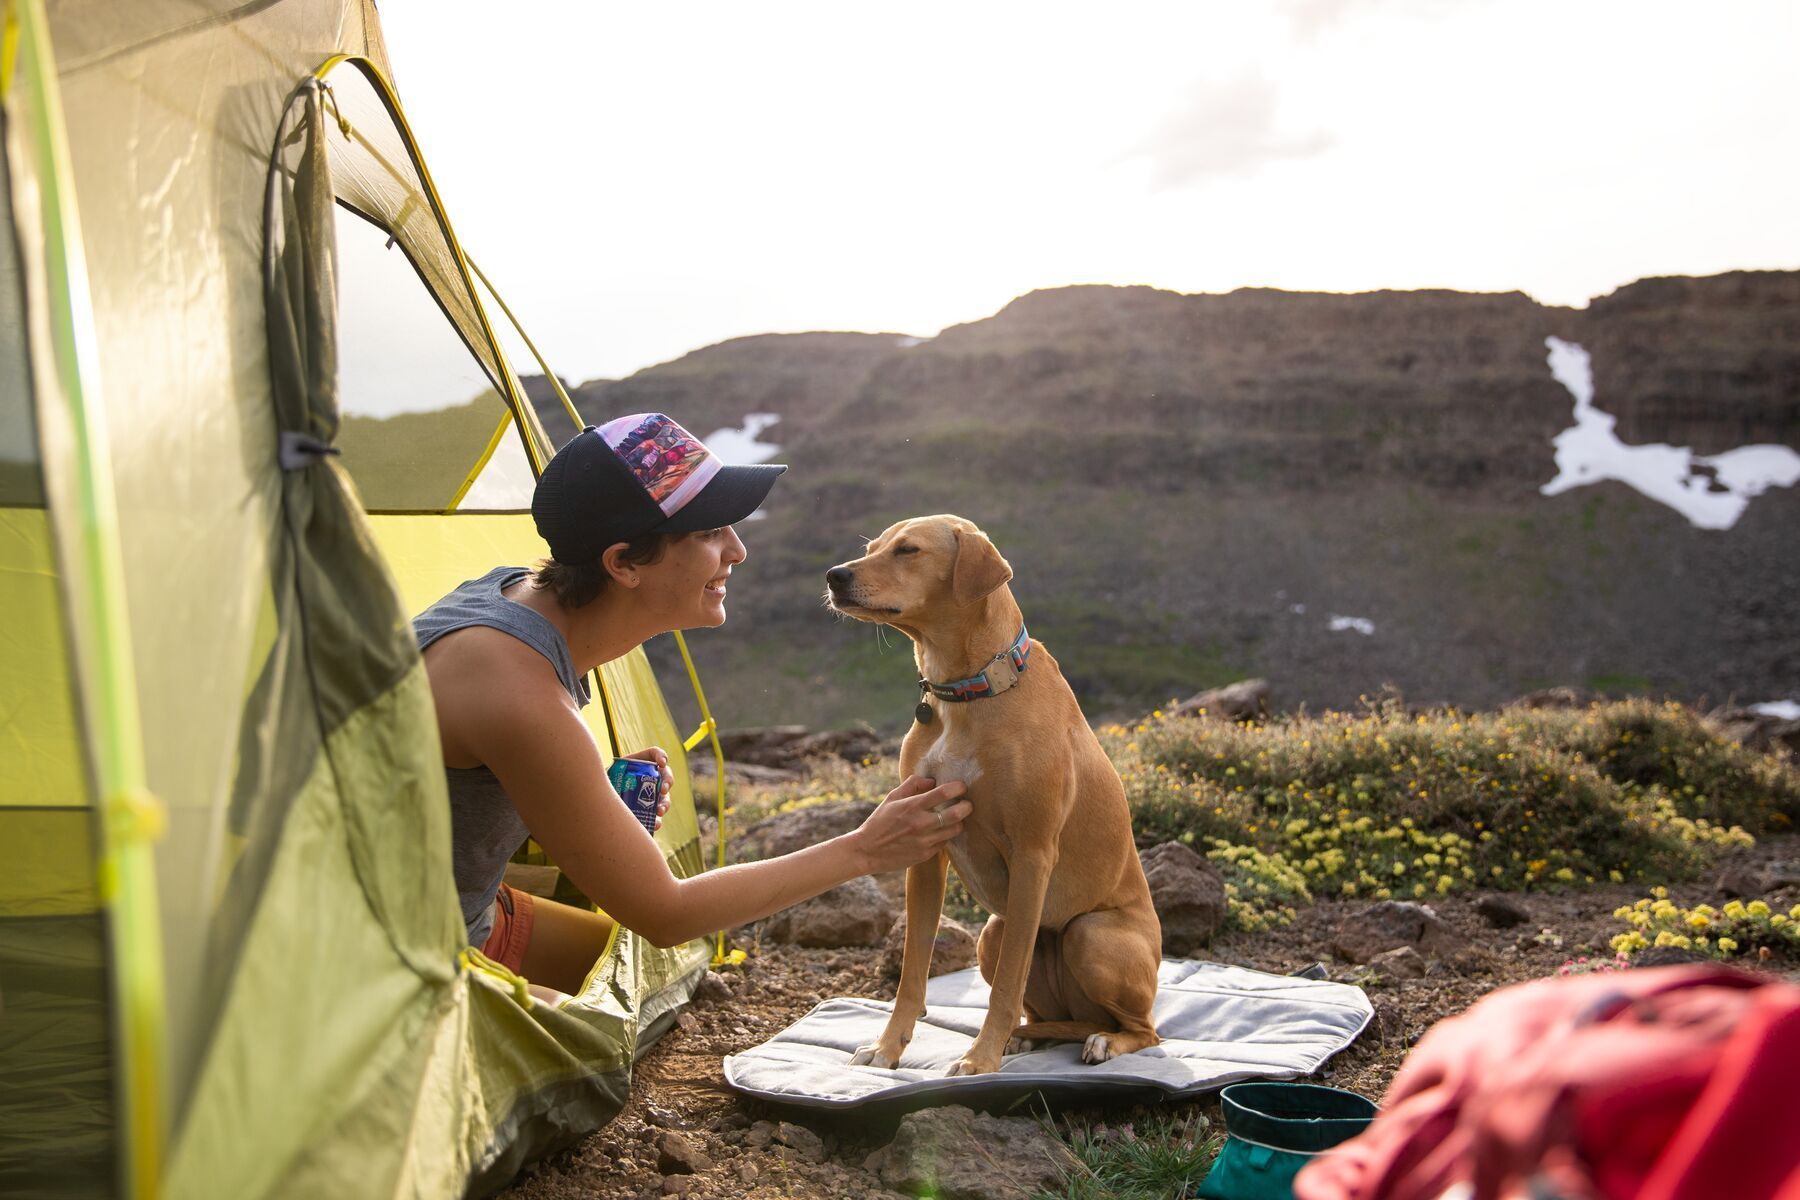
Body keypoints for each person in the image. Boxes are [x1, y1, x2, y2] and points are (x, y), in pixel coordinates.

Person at [414, 412, 970, 1000]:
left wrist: (581, 788)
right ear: (623, 563)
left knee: (646, 986)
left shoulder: (510, 595)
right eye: (708, 533)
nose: (739, 550)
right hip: (385, 960)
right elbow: (665, 914)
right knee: (598, 1046)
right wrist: (864, 848)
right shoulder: (517, 688)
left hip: (460, 911)